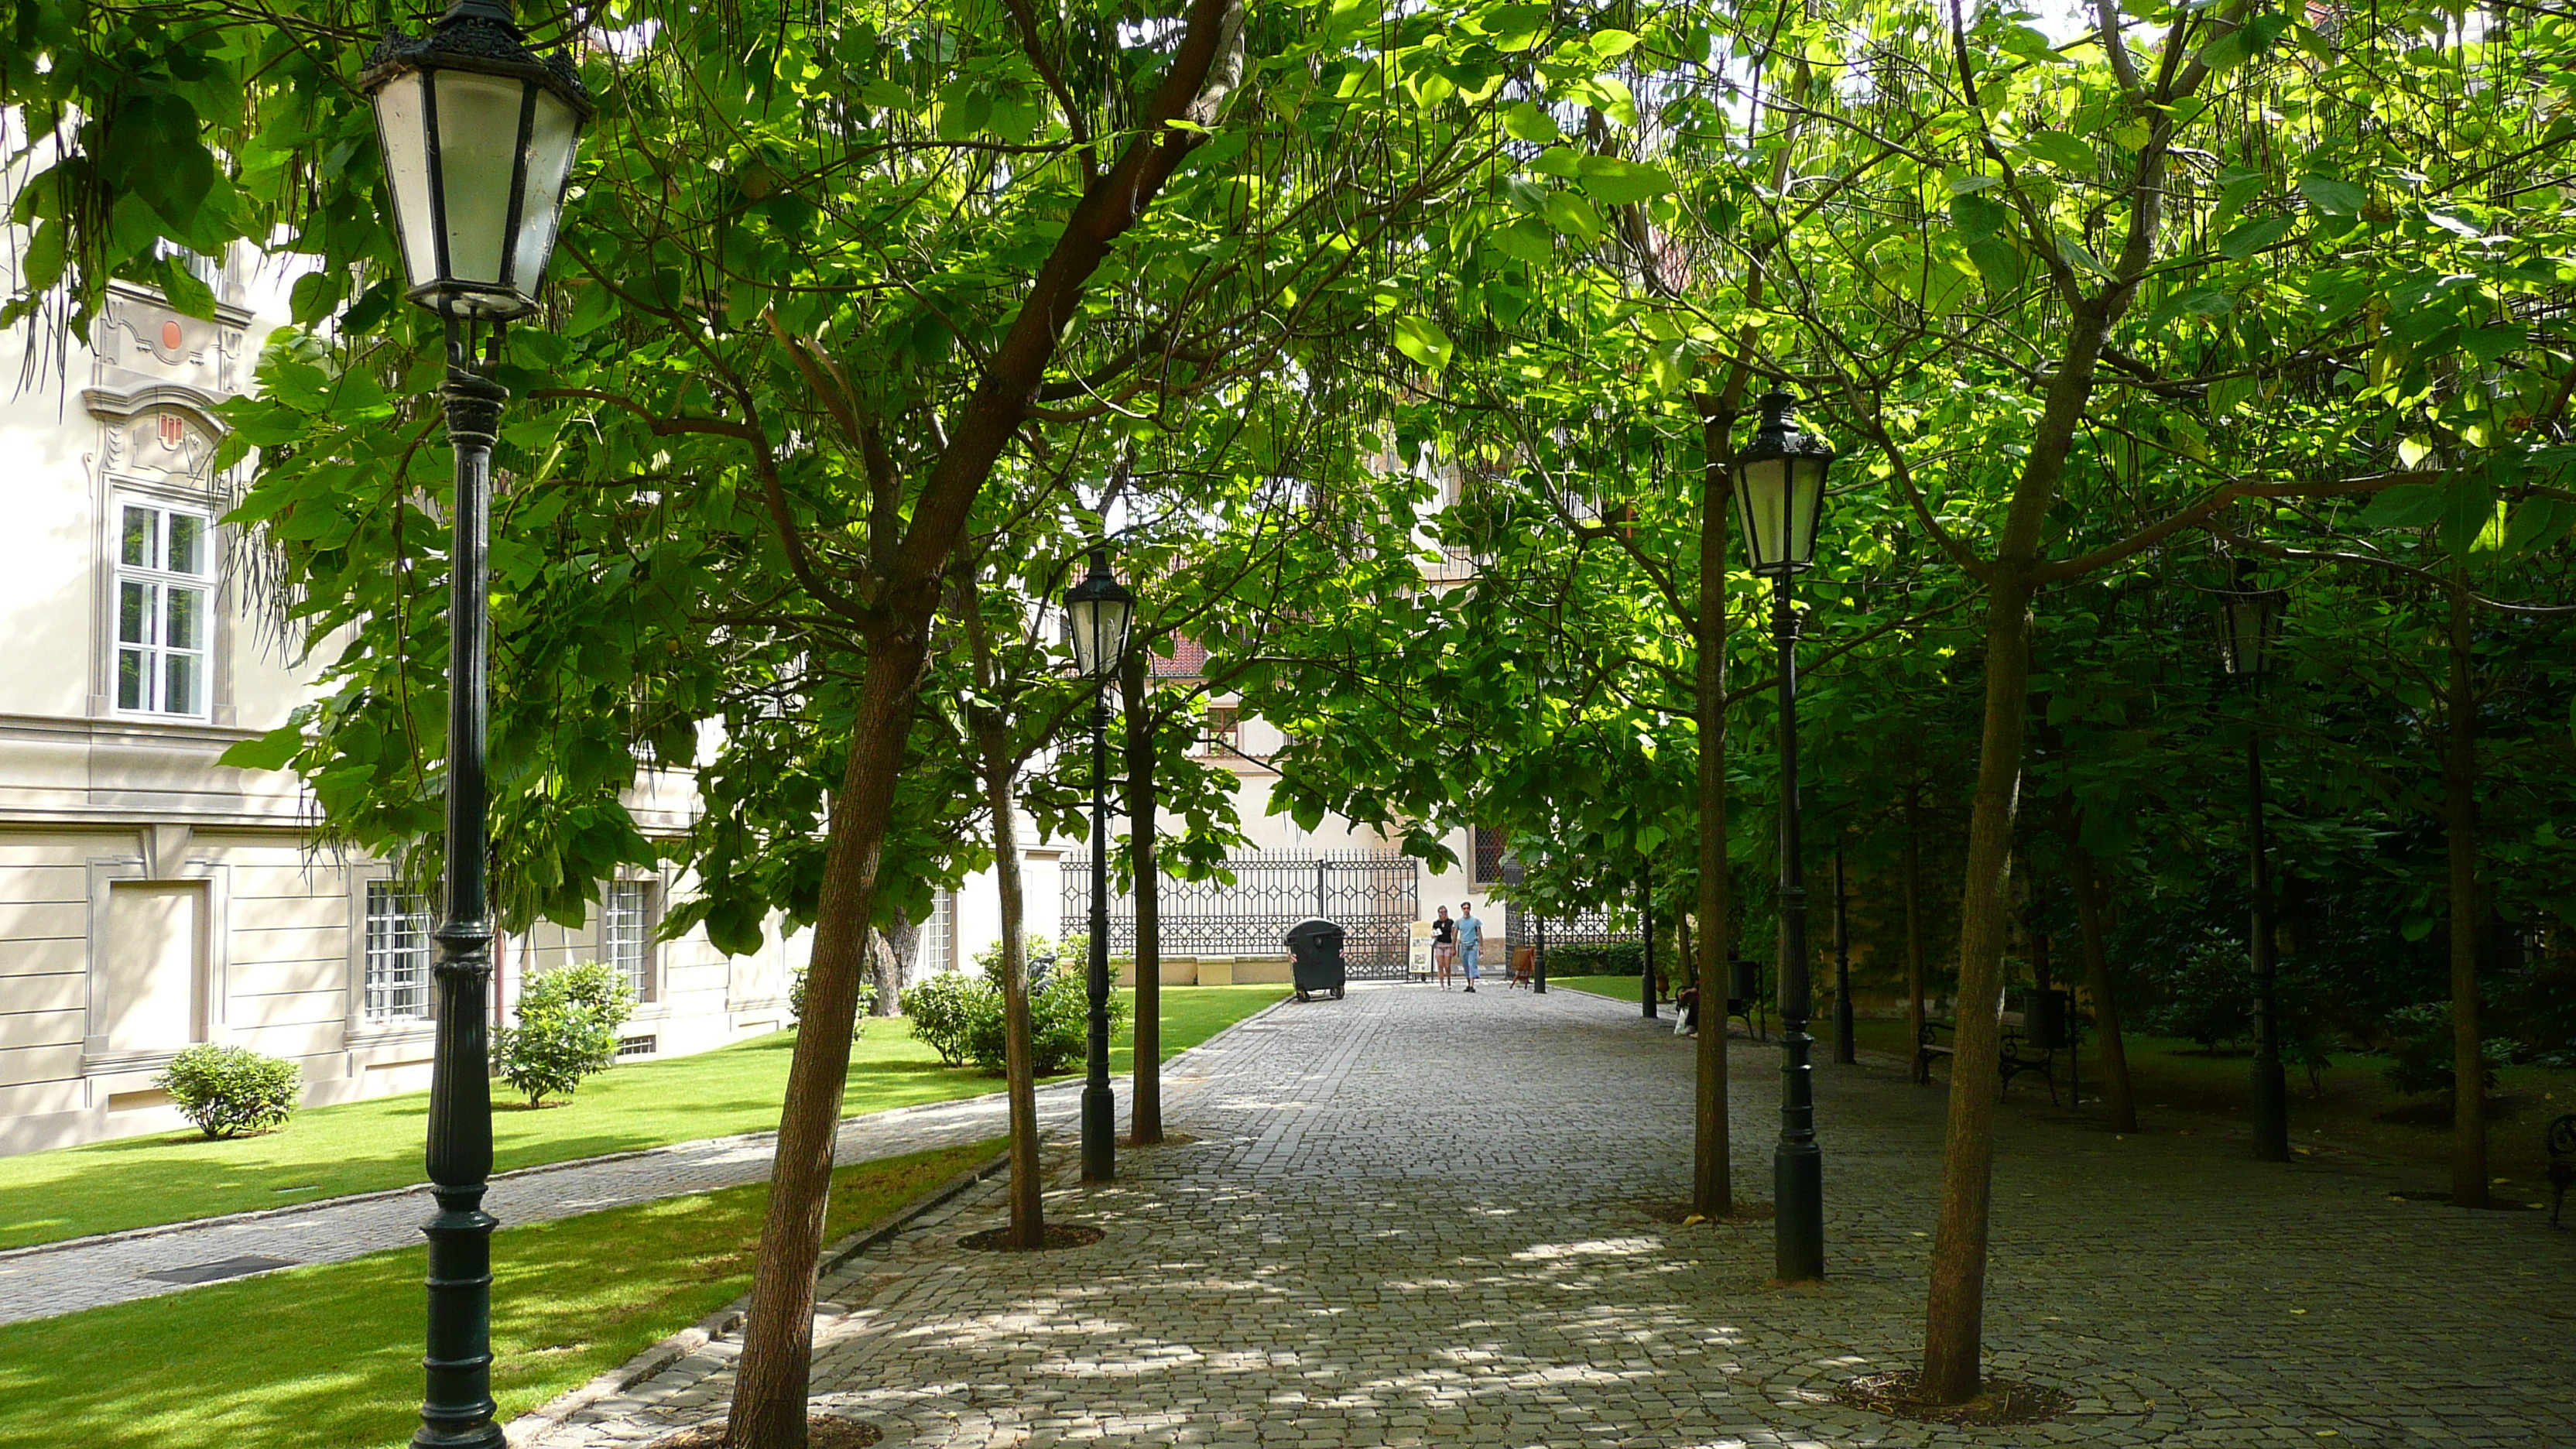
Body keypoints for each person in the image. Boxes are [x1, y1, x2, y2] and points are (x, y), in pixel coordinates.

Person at [1455, 902, 1484, 993]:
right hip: (1464, 946)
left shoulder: (1475, 921)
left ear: (1470, 909)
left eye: (1467, 908)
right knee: (1466, 966)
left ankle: (1472, 985)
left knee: (1472, 965)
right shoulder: (1459, 922)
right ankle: (1468, 984)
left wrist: (1481, 947)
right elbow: (1455, 934)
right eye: (1464, 908)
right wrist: (1454, 947)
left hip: (1473, 945)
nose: (1466, 910)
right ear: (1462, 909)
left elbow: (1479, 934)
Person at [1431, 906, 1457, 988]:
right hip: (1439, 945)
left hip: (1448, 945)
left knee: (1447, 965)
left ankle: (1449, 980)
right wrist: (1433, 934)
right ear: (1438, 913)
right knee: (1440, 965)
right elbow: (1433, 933)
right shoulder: (1436, 923)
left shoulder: (1450, 922)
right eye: (1441, 912)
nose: (1443, 914)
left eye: (1445, 912)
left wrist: (1454, 947)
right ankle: (1442, 984)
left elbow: (1454, 934)